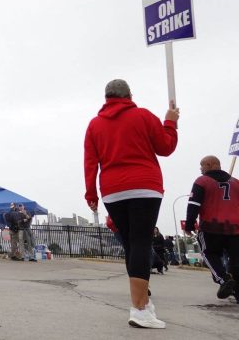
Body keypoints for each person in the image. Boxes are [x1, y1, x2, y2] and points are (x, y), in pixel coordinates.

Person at [84, 79, 178, 329]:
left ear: (106, 98)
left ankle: (143, 302)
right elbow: (165, 147)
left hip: (112, 190)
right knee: (140, 242)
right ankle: (139, 308)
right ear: (130, 95)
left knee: (131, 244)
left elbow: (90, 162)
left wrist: (91, 194)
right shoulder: (143, 116)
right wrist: (170, 122)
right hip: (144, 185)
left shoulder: (94, 125)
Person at [185, 155, 239, 301]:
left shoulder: (202, 181)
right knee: (236, 260)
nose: (201, 169)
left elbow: (194, 205)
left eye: (202, 165)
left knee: (209, 253)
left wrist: (189, 225)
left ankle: (223, 279)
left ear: (210, 164)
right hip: (235, 229)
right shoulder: (236, 183)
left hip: (211, 227)